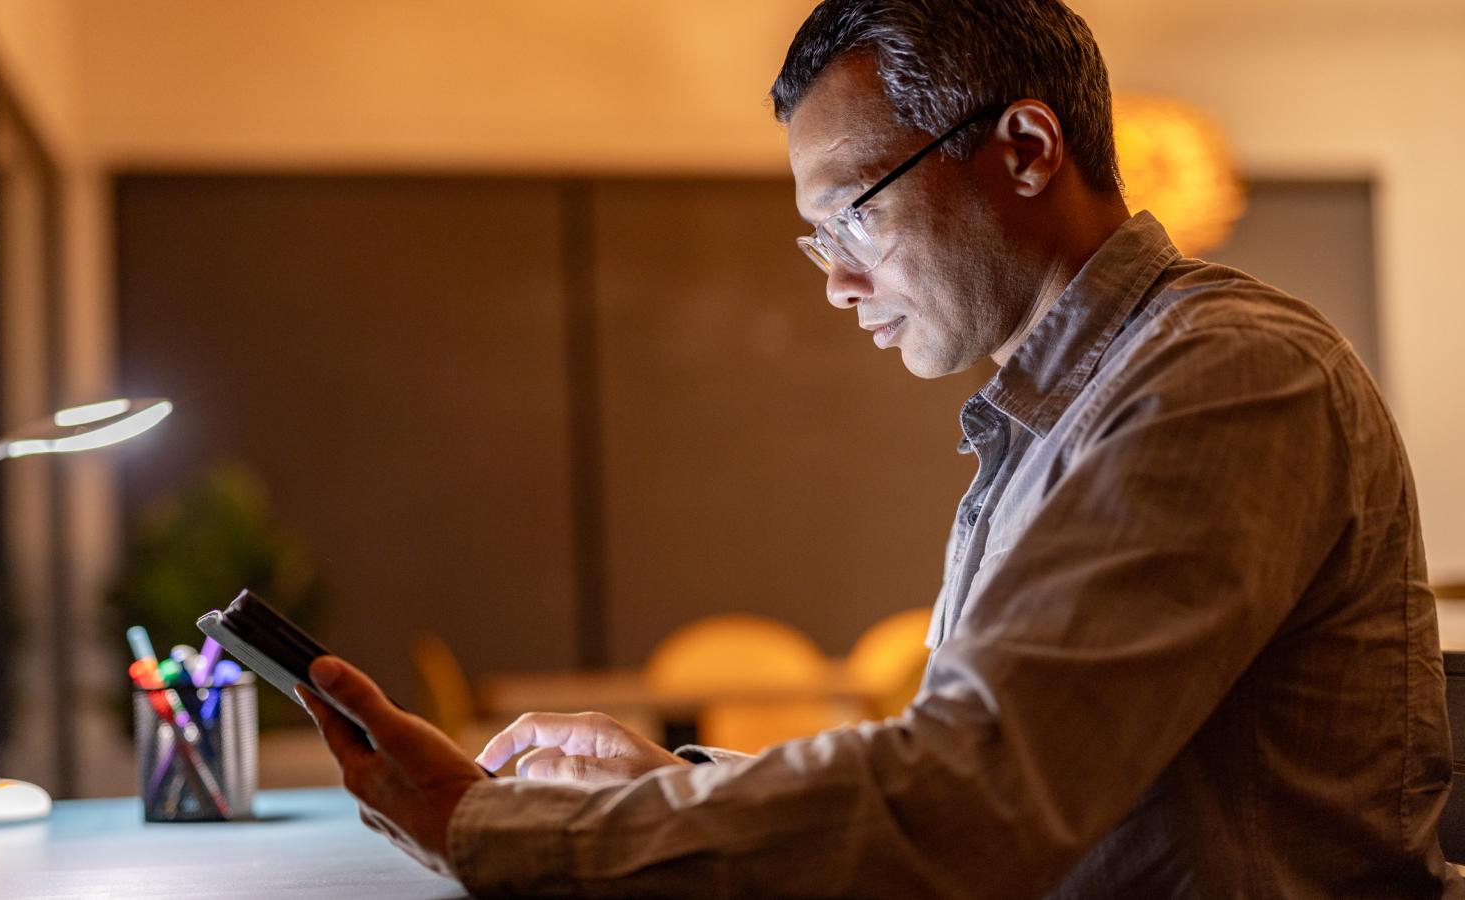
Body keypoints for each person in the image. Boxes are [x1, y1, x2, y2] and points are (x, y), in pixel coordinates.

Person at [298, 1, 1463, 895]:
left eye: (854, 215)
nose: (839, 286)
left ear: (1021, 147)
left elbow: (978, 800)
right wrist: (675, 790)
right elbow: (961, 765)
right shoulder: (1063, 408)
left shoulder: (1227, 377)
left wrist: (491, 828)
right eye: (817, 245)